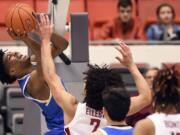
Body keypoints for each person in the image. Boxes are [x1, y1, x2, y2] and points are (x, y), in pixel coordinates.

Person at [39, 14, 151, 135]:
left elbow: (50, 76)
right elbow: (146, 97)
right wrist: (131, 65)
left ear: (85, 91)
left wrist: (45, 40)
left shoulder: (73, 108)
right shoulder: (117, 109)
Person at [0, 21, 68, 134]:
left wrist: (37, 28)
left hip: (69, 127)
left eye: (11, 52)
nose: (15, 53)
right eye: (10, 58)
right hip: (62, 130)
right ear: (12, 71)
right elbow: (44, 57)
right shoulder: (31, 82)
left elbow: (62, 45)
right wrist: (25, 37)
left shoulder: (33, 63)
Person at [134, 67, 180, 135]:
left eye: (154, 77)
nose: (151, 80)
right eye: (149, 77)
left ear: (155, 93)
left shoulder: (145, 125)